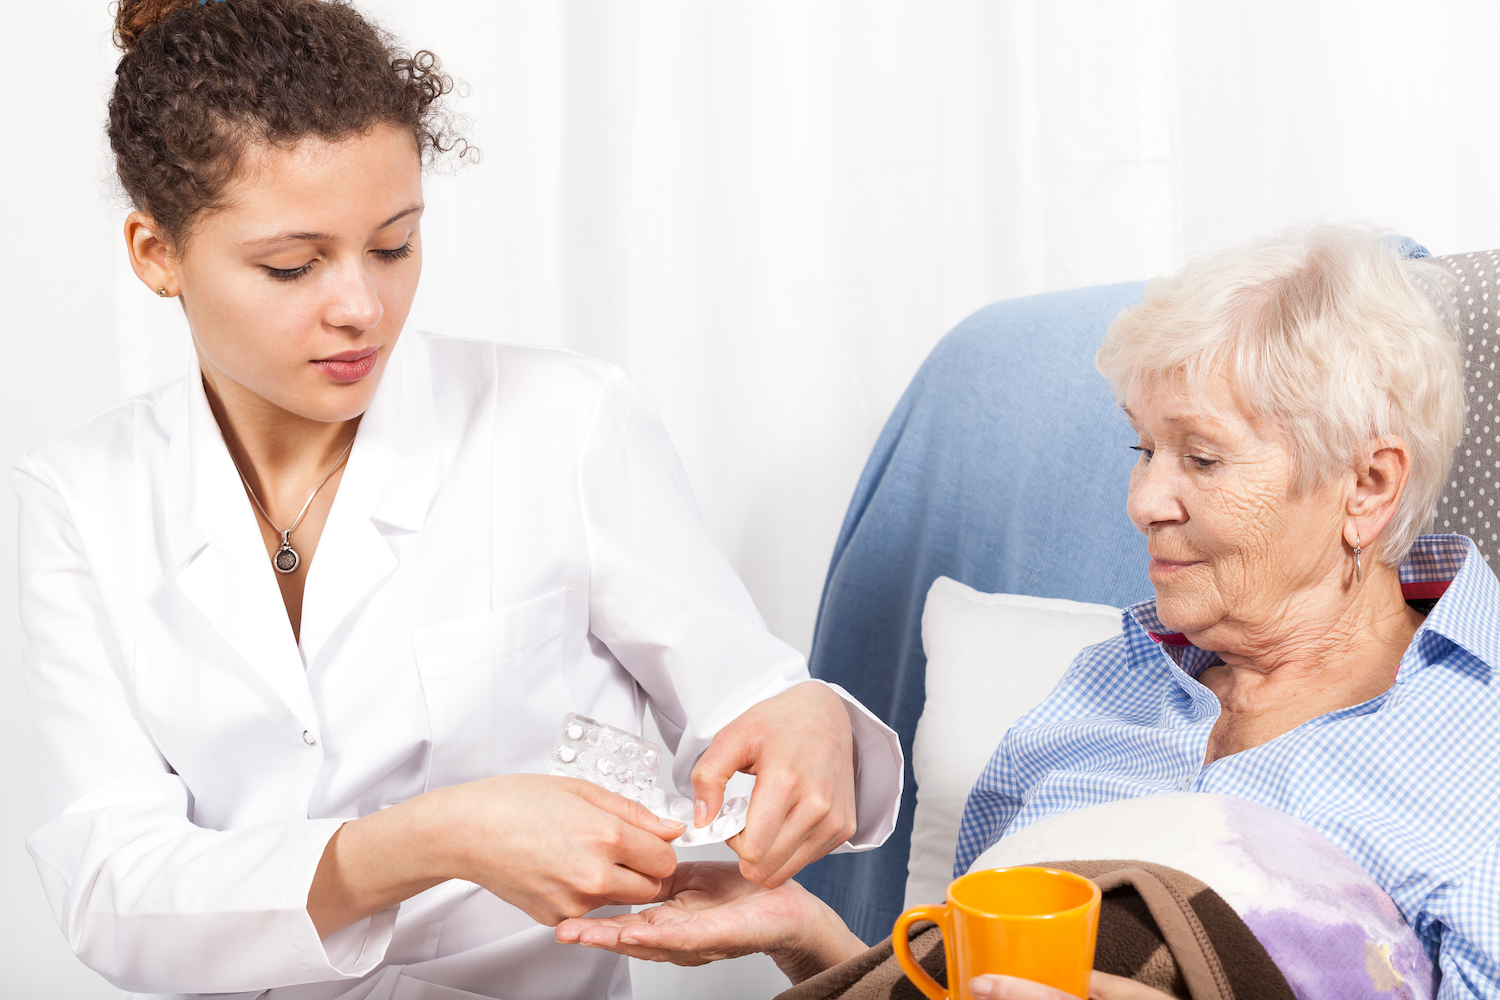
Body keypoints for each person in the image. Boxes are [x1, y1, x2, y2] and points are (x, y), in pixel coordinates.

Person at [16, 1, 902, 996]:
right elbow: (110, 881)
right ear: (155, 253)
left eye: (392, 246)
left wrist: (803, 716)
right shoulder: (78, 498)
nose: (361, 306)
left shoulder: (561, 422)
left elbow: (746, 697)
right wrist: (436, 836)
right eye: (291, 265)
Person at [558, 226, 1500, 1000]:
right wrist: (811, 940)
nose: (1143, 501)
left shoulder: (1475, 743)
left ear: (1368, 485)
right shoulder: (1101, 692)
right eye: (1143, 450)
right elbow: (964, 983)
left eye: (1201, 460)